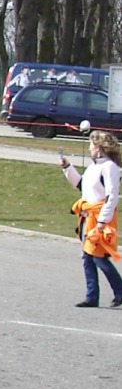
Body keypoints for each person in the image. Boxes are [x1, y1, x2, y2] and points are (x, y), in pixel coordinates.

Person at [60, 130, 122, 308]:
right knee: (87, 257)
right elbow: (82, 186)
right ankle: (92, 296)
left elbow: (111, 196)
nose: (89, 148)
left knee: (98, 257)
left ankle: (118, 291)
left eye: (92, 145)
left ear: (100, 148)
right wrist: (67, 168)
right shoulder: (93, 167)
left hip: (101, 217)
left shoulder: (109, 167)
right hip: (88, 217)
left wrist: (102, 222)